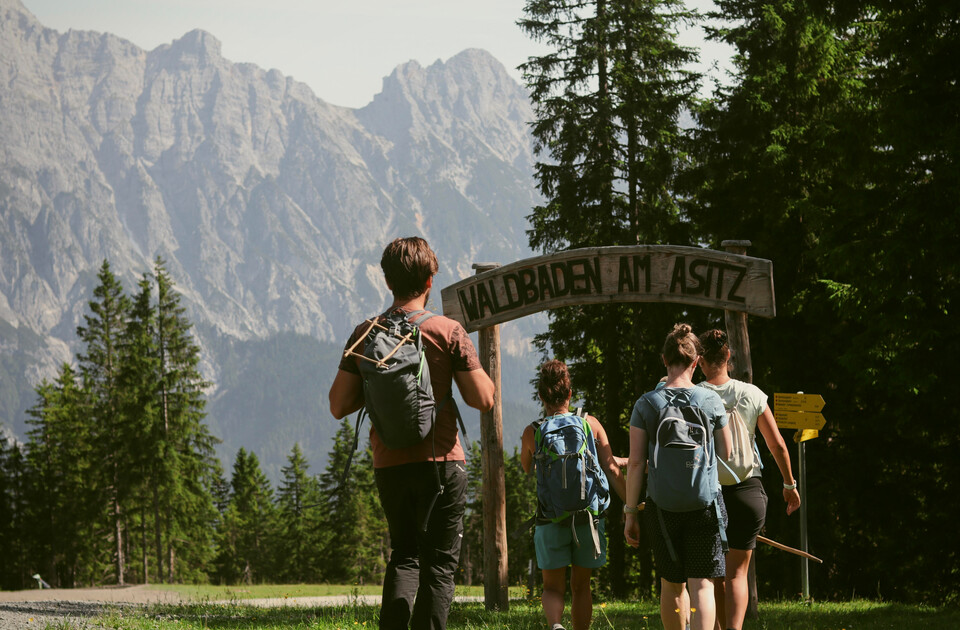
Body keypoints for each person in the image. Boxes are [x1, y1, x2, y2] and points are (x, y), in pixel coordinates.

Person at [329, 237, 495, 630]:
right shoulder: (447, 331)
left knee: (404, 555)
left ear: (388, 281)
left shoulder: (364, 334)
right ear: (429, 280)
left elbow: (338, 405)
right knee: (438, 565)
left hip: (390, 463)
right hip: (442, 464)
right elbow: (483, 399)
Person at [624, 324, 731, 630]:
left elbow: (635, 463)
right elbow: (727, 452)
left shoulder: (646, 404)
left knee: (671, 584)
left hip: (662, 507)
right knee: (702, 585)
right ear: (696, 361)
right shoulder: (709, 400)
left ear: (664, 359)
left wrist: (630, 512)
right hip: (705, 503)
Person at [696, 329, 801, 630]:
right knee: (738, 573)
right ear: (728, 356)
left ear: (700, 361)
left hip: (707, 493)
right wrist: (789, 486)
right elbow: (777, 445)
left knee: (716, 573)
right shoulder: (751, 394)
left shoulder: (694, 396)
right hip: (748, 492)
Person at [520, 360, 627, 630]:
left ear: (542, 396)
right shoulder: (590, 423)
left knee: (552, 587)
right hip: (587, 518)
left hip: (550, 517)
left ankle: (556, 625)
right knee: (582, 586)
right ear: (569, 394)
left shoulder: (532, 431)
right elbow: (611, 468)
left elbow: (526, 467)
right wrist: (631, 505)